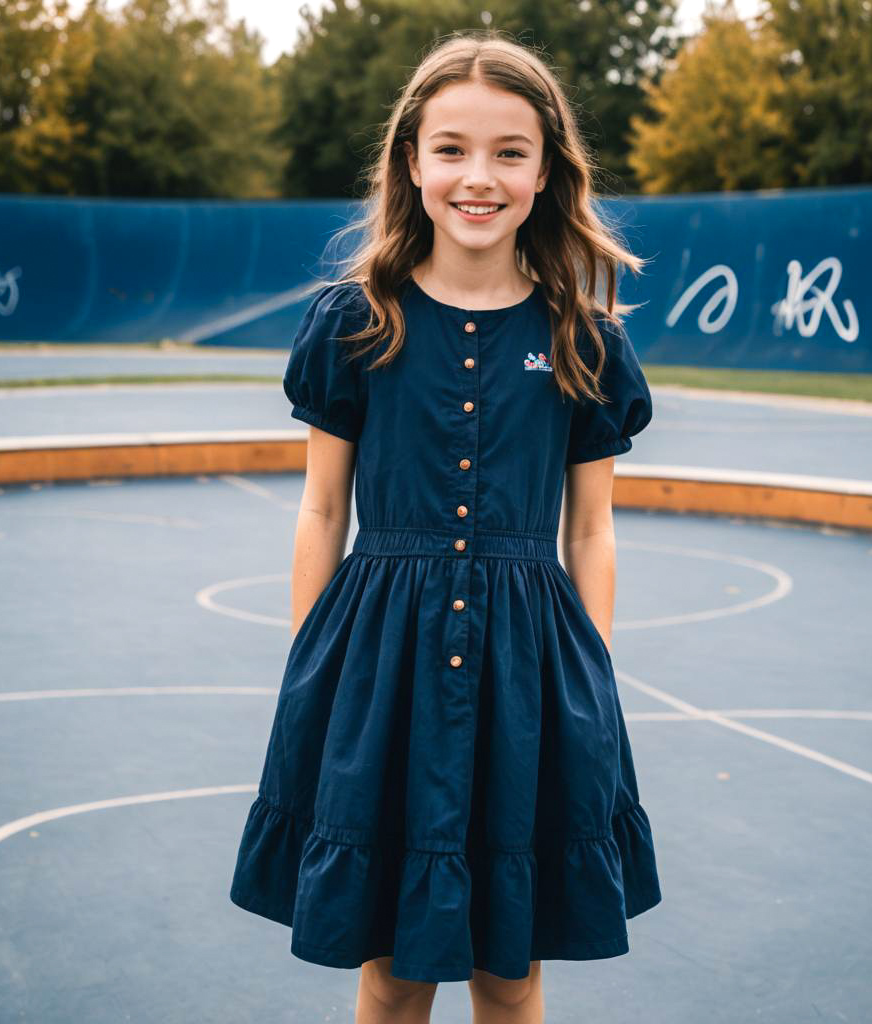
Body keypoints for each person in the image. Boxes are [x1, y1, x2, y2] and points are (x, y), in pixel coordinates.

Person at [229, 29, 661, 1024]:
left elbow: (590, 530)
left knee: (510, 971)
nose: (479, 175)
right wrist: (315, 670)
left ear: (546, 169)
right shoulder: (353, 321)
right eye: (452, 148)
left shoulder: (581, 339)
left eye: (509, 151)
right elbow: (322, 506)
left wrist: (586, 671)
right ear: (411, 162)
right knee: (389, 968)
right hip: (378, 669)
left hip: (528, 675)